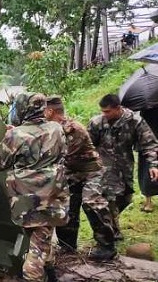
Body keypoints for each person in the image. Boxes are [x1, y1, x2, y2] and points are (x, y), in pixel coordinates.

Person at [0, 93, 69, 282]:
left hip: (27, 200)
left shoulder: (16, 136)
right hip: (53, 196)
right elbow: (59, 152)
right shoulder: (56, 129)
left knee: (37, 245)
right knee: (43, 239)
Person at [45, 96, 117, 260]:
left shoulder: (73, 129)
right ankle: (67, 245)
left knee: (92, 202)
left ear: (51, 111)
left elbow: (62, 157)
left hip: (91, 172)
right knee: (66, 206)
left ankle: (107, 246)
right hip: (71, 172)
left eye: (43, 110)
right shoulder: (49, 128)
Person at [88, 94, 158, 239]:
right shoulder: (97, 123)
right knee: (109, 198)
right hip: (104, 168)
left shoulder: (134, 121)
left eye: (107, 111)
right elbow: (87, 145)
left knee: (126, 198)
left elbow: (149, 143)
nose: (104, 114)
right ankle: (110, 231)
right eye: (102, 111)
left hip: (124, 166)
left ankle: (111, 225)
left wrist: (153, 164)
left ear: (118, 108)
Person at [139, 108, 158, 212]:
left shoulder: (144, 102)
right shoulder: (145, 104)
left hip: (148, 142)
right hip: (147, 142)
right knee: (146, 172)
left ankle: (148, 202)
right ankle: (148, 201)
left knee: (147, 171)